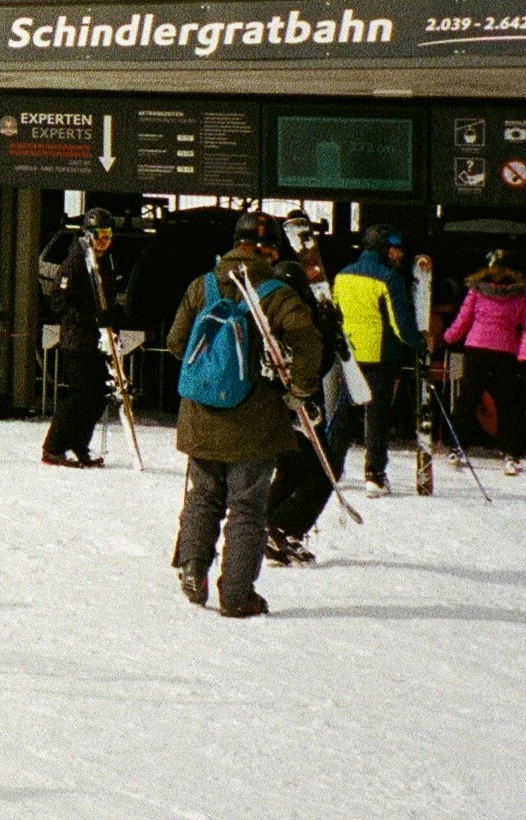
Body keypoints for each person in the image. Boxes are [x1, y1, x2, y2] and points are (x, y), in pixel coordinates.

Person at [166, 212, 322, 616]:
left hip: (200, 415)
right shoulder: (277, 292)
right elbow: (307, 344)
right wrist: (298, 391)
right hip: (255, 422)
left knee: (203, 495)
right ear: (270, 248)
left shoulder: (202, 286)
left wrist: (209, 376)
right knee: (247, 506)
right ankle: (236, 594)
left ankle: (192, 567)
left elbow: (175, 343)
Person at [263, 235, 351, 561]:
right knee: (323, 472)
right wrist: (328, 333)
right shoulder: (300, 318)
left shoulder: (265, 314)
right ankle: (284, 527)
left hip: (276, 411)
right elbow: (315, 362)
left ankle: (266, 527)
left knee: (290, 470)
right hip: (298, 408)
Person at [332, 222, 419, 494]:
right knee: (377, 416)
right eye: (395, 249)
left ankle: (332, 469)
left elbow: (335, 313)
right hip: (381, 355)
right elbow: (399, 324)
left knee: (343, 414)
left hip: (350, 353)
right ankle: (375, 475)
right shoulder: (388, 278)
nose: (399, 254)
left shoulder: (342, 275)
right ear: (383, 249)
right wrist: (419, 343)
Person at [40, 211, 123, 468]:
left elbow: (107, 298)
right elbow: (58, 301)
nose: (103, 242)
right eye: (99, 236)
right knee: (79, 394)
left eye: (108, 236)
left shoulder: (106, 262)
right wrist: (89, 318)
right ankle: (53, 447)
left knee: (97, 395)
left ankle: (79, 443)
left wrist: (113, 316)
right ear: (88, 235)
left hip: (98, 340)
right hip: (77, 340)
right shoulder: (75, 261)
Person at [442, 248, 526, 477]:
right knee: (507, 403)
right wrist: (523, 353)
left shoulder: (476, 291)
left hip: (477, 348)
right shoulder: (520, 294)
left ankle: (456, 446)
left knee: (468, 398)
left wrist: (449, 337)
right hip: (505, 350)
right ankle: (510, 452)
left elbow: (464, 318)